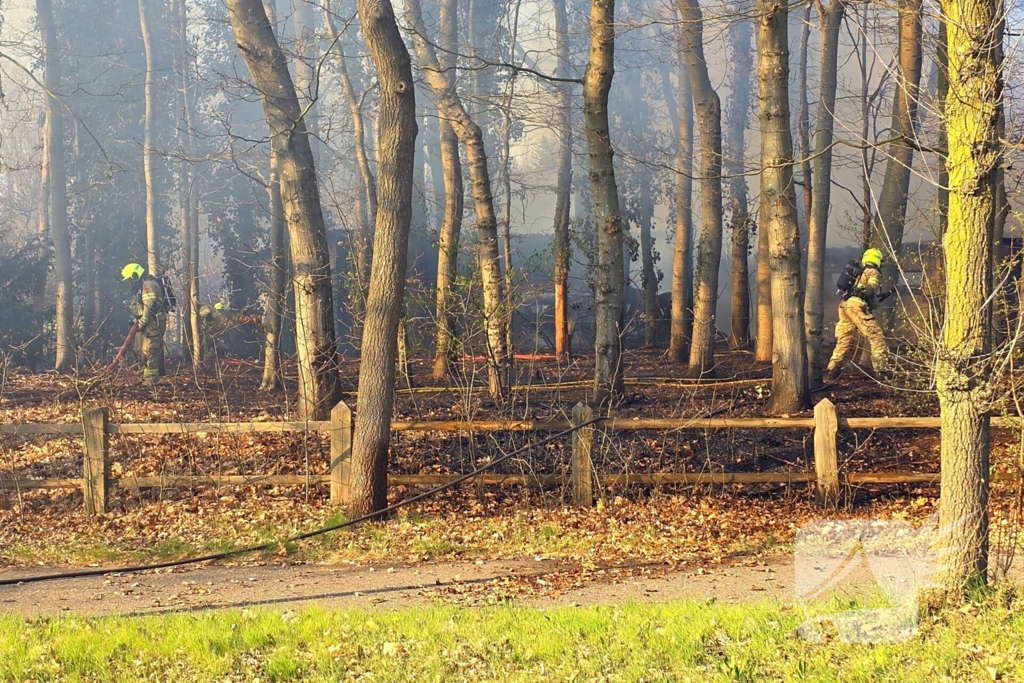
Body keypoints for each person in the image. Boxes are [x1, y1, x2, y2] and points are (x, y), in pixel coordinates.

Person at [825, 248, 893, 381]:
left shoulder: (857, 273)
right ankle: (882, 372)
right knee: (876, 335)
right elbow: (870, 289)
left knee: (844, 340)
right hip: (856, 306)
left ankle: (831, 371)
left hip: (844, 306)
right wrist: (872, 297)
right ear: (877, 259)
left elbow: (861, 292)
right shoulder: (873, 271)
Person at [122, 263, 167, 384]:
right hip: (143, 324)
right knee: (139, 350)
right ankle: (143, 377)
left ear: (135, 276)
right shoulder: (141, 287)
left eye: (130, 279)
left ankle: (151, 379)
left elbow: (148, 306)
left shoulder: (149, 285)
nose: (130, 283)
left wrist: (141, 322)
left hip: (152, 322)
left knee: (150, 350)